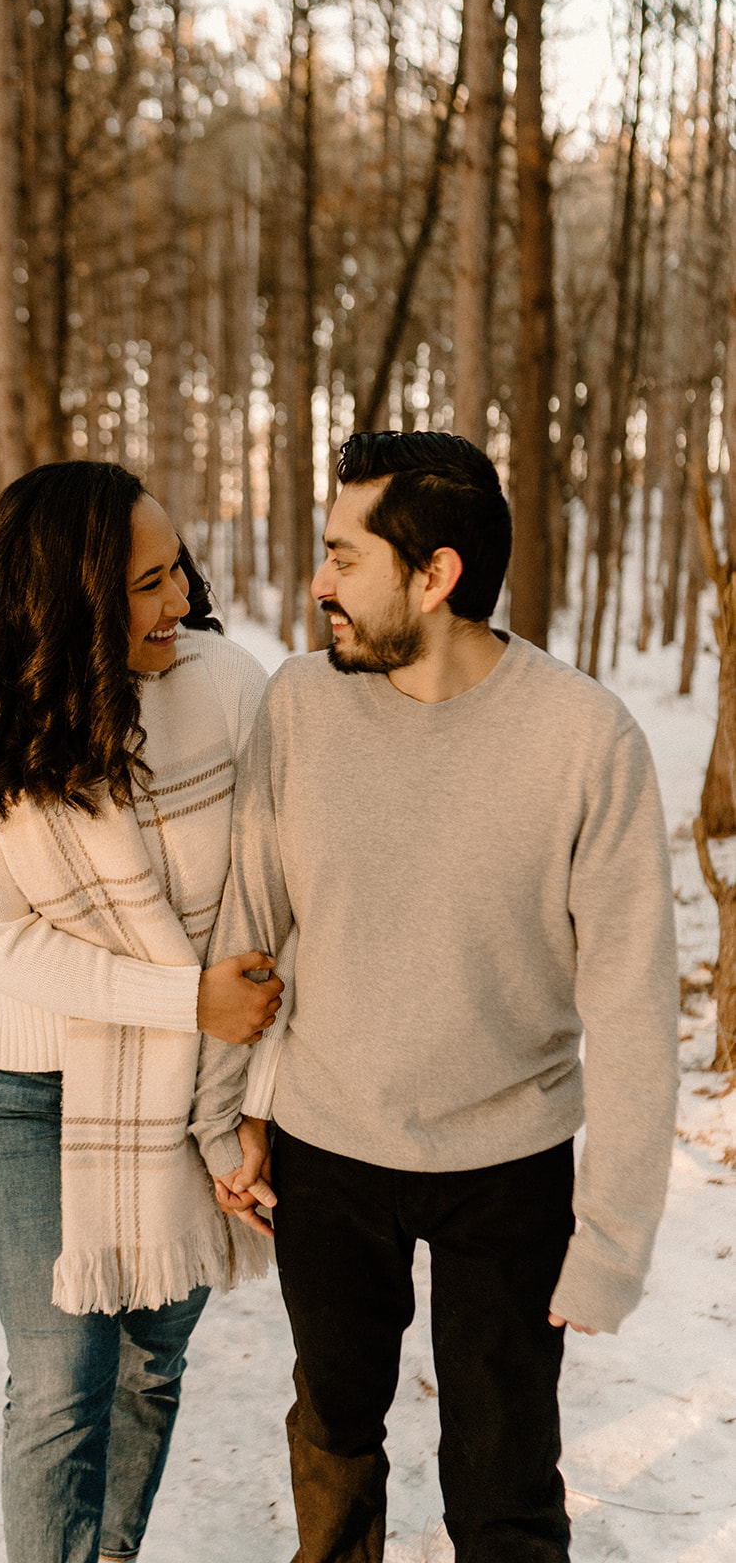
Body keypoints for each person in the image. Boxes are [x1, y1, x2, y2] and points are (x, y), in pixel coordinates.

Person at [200, 430, 680, 1563]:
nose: (314, 583)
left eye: (339, 556)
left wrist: (612, 1237)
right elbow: (247, 926)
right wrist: (229, 1116)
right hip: (326, 1148)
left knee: (503, 1472)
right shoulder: (299, 707)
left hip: (507, 1167)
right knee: (333, 1431)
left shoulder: (582, 738)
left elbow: (629, 1007)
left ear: (434, 574)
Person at [0, 459, 283, 1563]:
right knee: (62, 1380)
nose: (178, 604)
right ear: (67, 599)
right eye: (146, 584)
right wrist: (185, 999)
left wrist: (241, 1100)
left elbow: (273, 901)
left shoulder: (225, 686)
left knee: (150, 1359)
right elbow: (1, 943)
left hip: (197, 1090)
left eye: (177, 573)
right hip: (31, 1087)